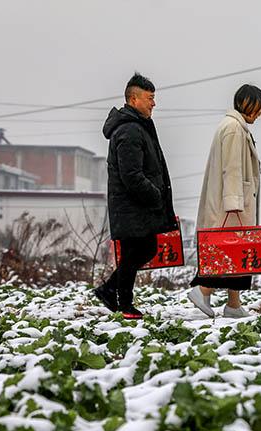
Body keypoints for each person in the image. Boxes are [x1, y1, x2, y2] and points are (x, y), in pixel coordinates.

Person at [93, 73, 177, 320]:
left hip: (135, 207)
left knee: (139, 250)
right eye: (150, 98)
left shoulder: (137, 126)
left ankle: (115, 295)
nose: (154, 103)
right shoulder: (129, 130)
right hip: (133, 206)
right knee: (139, 250)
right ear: (133, 98)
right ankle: (120, 300)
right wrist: (155, 195)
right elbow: (131, 175)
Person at [188, 84, 261, 319]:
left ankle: (233, 303)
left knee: (236, 251)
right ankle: (203, 289)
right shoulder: (234, 128)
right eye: (258, 108)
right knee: (229, 250)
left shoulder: (235, 126)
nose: (259, 114)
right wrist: (234, 203)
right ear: (247, 104)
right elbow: (231, 168)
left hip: (233, 201)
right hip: (231, 204)